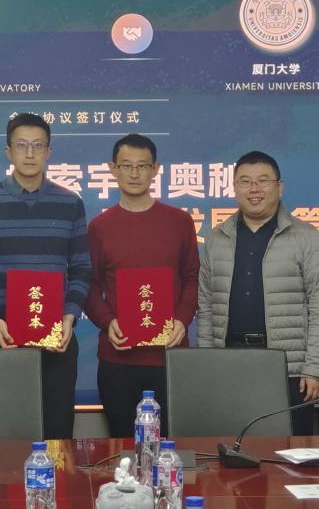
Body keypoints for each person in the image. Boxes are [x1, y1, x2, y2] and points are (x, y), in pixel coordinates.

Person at [0, 112, 91, 439]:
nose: (30, 153)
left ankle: (57, 476)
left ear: (49, 152)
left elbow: (81, 267)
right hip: (3, 334)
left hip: (57, 336)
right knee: (3, 432)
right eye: (21, 145)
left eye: (38, 146)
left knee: (57, 434)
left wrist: (70, 317)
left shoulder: (70, 203)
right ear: (8, 151)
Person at [197, 150, 319, 434]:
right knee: (230, 447)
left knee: (287, 452)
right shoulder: (216, 239)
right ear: (234, 187)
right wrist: (207, 363)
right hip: (229, 364)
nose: (254, 189)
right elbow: (207, 306)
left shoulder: (307, 238)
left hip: (289, 368)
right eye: (245, 181)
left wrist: (314, 368)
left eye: (263, 181)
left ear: (279, 186)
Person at [84, 134, 200, 437]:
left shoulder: (179, 222)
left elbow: (192, 277)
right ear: (113, 169)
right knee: (123, 446)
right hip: (118, 359)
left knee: (169, 445)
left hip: (169, 357)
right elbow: (90, 285)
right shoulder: (99, 227)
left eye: (142, 165)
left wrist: (182, 321)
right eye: (126, 165)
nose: (134, 173)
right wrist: (108, 322)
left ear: (155, 169)